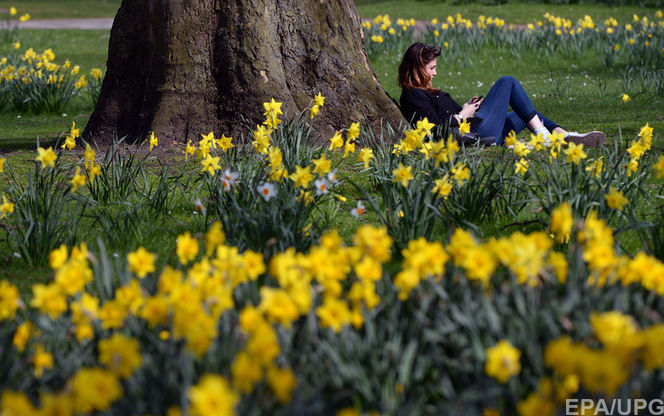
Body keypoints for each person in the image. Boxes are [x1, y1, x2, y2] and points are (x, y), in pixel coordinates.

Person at [398, 42, 605, 146]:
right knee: (507, 82)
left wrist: (465, 108)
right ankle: (544, 138)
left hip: (478, 128)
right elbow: (435, 129)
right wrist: (463, 115)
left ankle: (564, 136)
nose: (435, 72)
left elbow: (446, 116)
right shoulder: (412, 95)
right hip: (476, 136)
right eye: (432, 68)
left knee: (528, 113)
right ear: (417, 68)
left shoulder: (425, 91)